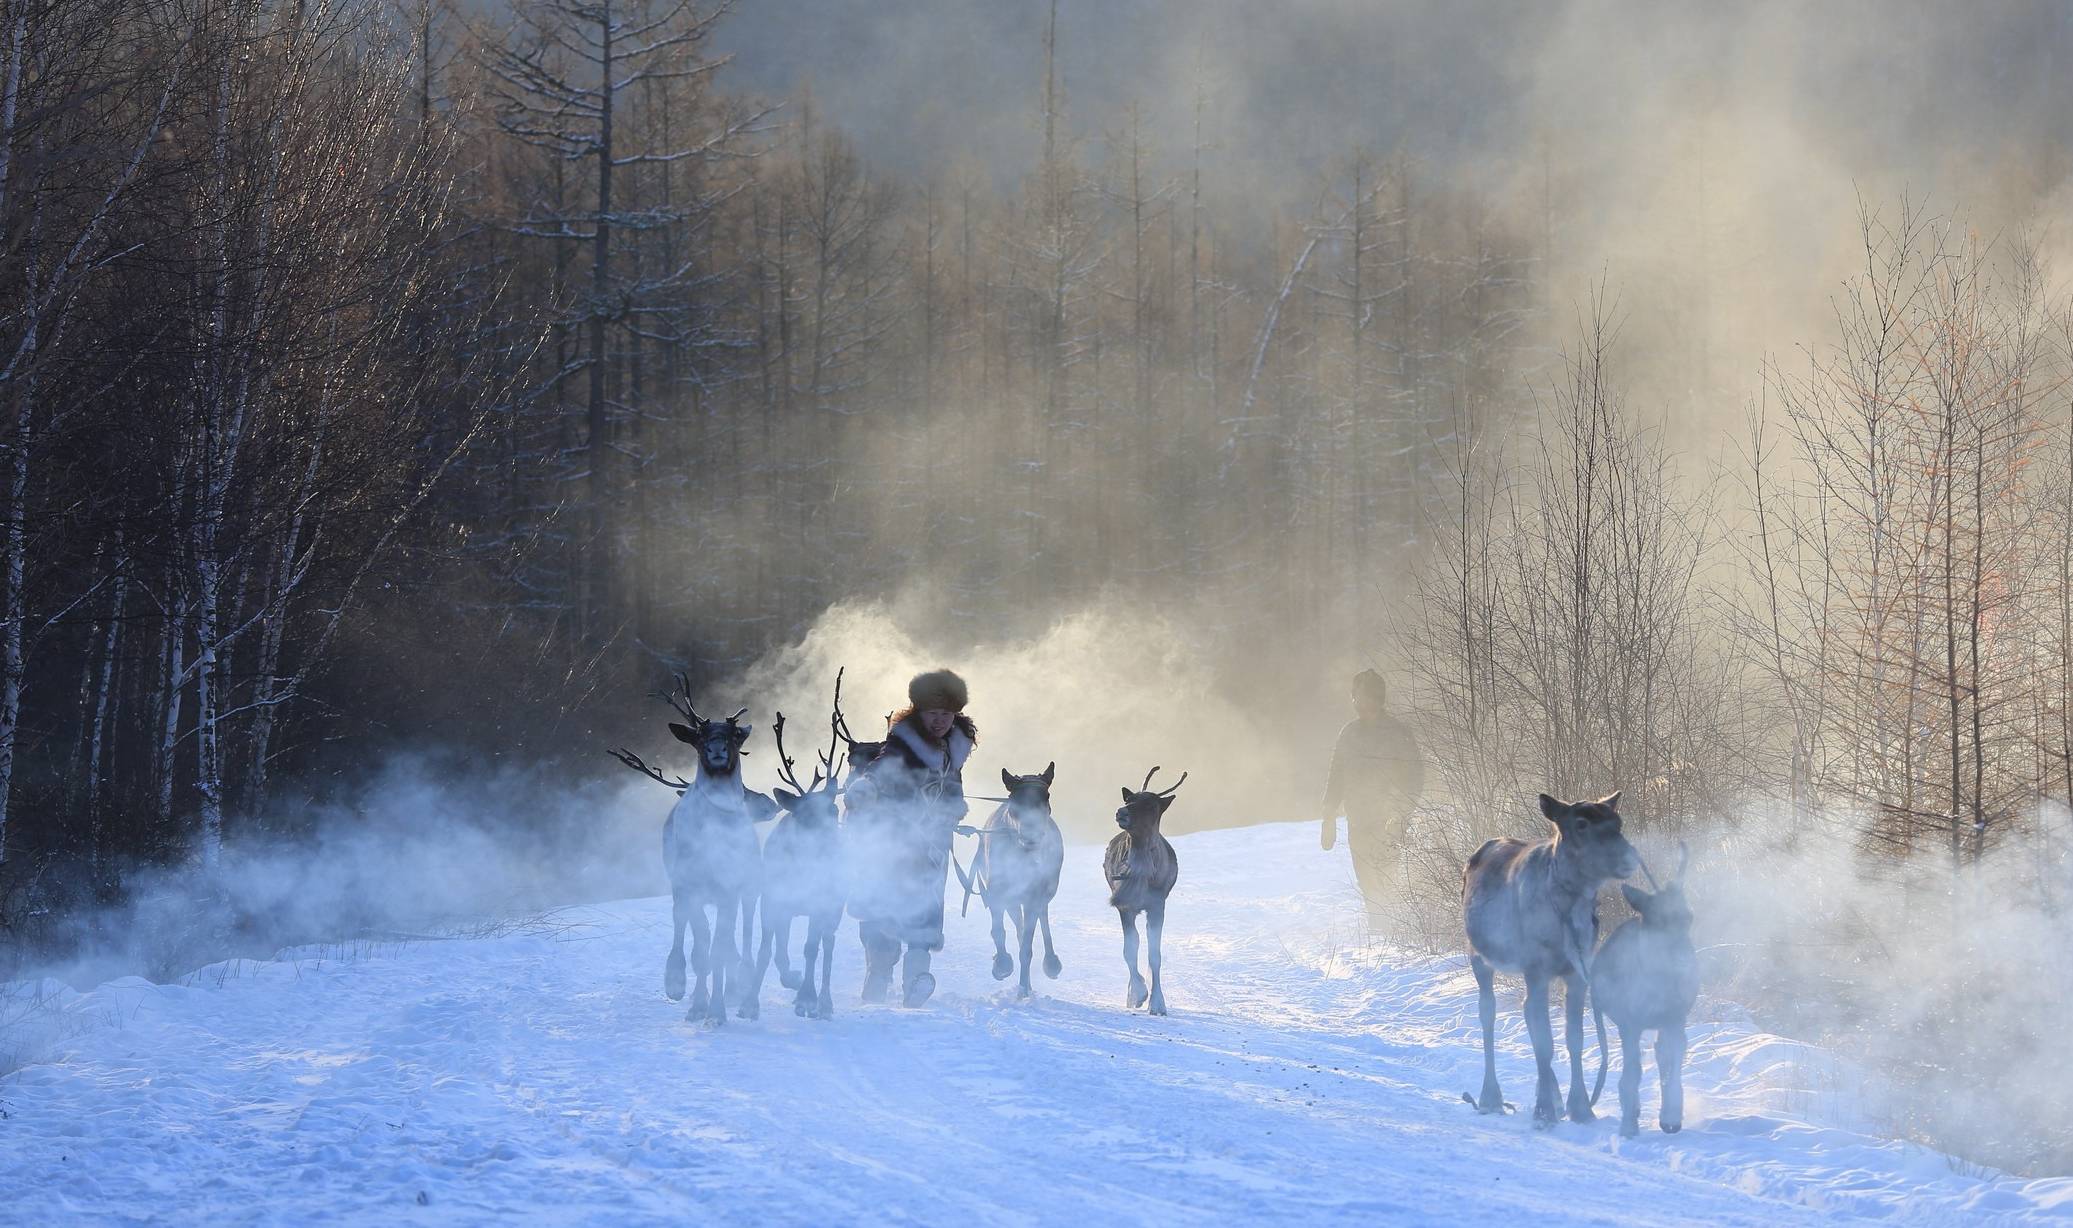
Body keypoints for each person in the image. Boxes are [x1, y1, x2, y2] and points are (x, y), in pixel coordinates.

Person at [844, 668, 976, 1007]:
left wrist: (953, 804)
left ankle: (916, 978)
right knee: (886, 906)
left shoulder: (954, 746)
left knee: (924, 909)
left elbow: (952, 785)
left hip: (931, 844)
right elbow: (881, 768)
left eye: (946, 714)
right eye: (933, 714)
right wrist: (866, 787)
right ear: (919, 712)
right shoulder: (902, 745)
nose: (940, 721)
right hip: (894, 840)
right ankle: (879, 972)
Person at [1320, 669, 1424, 926]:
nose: (1359, 702)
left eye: (1364, 697)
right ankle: (1379, 928)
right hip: (1358, 819)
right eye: (1356, 697)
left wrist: (1400, 814)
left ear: (1378, 699)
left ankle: (1392, 927)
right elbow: (1336, 776)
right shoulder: (1349, 733)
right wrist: (1328, 817)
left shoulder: (1398, 733)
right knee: (1365, 876)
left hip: (1389, 819)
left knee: (1387, 876)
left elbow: (1414, 777)